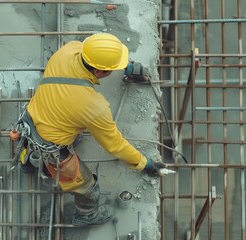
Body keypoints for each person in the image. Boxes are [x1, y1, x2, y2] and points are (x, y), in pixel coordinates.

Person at [19, 32, 166, 226]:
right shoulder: (93, 106)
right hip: (51, 146)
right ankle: (86, 216)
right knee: (88, 187)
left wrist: (125, 67)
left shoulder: (68, 50)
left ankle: (26, 162)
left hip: (31, 120)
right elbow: (115, 145)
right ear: (99, 72)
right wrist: (144, 163)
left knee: (35, 143)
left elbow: (88, 50)